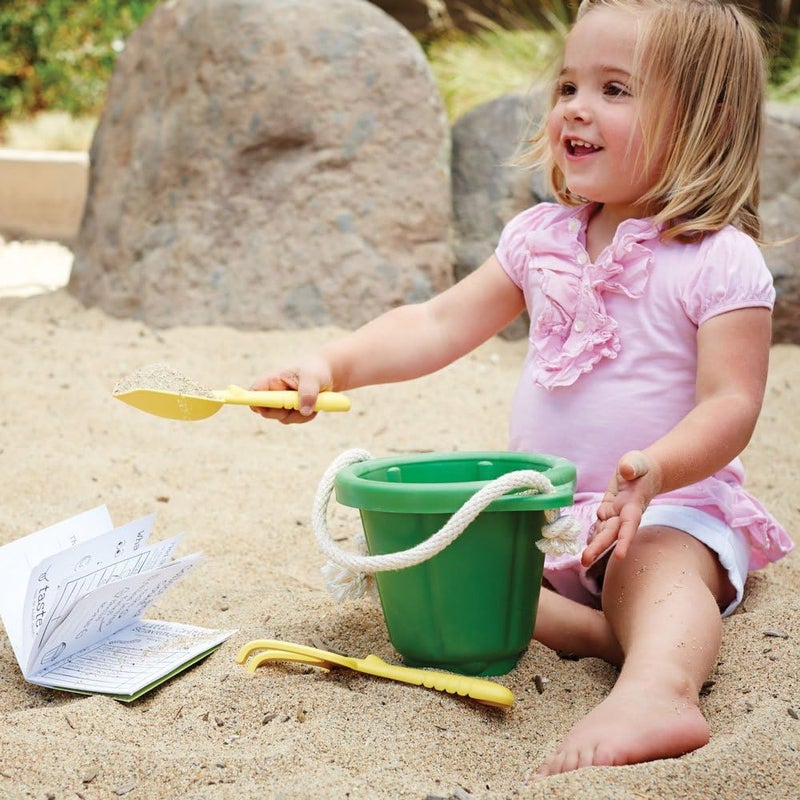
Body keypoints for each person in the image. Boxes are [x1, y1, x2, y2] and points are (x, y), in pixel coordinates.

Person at [251, 0, 793, 776]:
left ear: (706, 118)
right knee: (440, 576)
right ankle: (610, 633)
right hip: (544, 514)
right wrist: (334, 365)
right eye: (568, 85)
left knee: (654, 574)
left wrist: (658, 471)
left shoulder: (718, 259)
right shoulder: (540, 240)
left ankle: (659, 687)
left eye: (615, 89)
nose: (575, 106)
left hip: (662, 509)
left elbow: (733, 404)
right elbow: (437, 323)